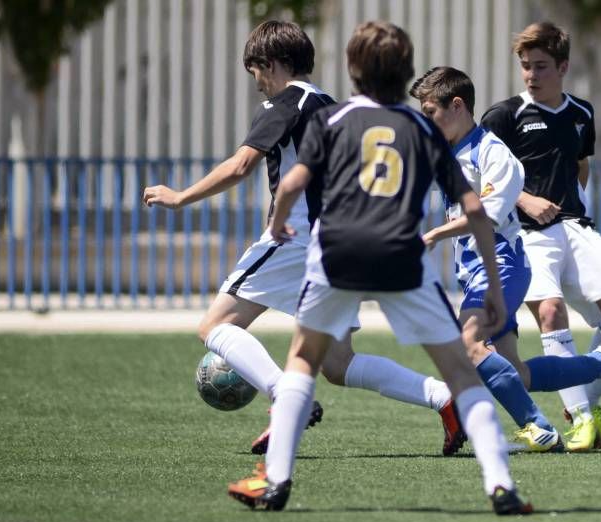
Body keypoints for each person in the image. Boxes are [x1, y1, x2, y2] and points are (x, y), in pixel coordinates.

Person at [226, 21, 532, 515]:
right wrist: (495, 287)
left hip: (337, 251)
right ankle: (500, 484)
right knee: (458, 369)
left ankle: (276, 482)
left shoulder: (334, 118)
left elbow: (289, 185)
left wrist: (280, 222)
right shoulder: (423, 130)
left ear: (352, 71)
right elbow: (475, 210)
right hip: (400, 256)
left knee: (303, 360)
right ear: (406, 72)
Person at [142, 20, 464, 458]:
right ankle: (445, 399)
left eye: (255, 69)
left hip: (294, 240)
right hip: (338, 245)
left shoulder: (285, 102)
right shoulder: (331, 105)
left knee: (215, 325)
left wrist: (180, 197)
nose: (255, 82)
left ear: (272, 64)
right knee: (338, 363)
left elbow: (241, 165)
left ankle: (283, 395)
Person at [410, 66, 601, 453]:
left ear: (456, 105)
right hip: (477, 272)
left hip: (503, 266)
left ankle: (536, 426)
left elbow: (487, 216)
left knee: (469, 345)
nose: (425, 122)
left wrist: (434, 235)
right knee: (516, 373)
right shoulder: (446, 152)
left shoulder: (493, 152)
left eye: (429, 112)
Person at [481, 21, 601, 450]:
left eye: (541, 66)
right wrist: (526, 200)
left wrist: (572, 205)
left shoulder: (581, 113)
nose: (531, 74)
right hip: (525, 233)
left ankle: (584, 404)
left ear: (564, 66)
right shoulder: (503, 115)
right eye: (525, 66)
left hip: (572, 224)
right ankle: (583, 419)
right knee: (551, 313)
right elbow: (481, 178)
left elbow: (580, 166)